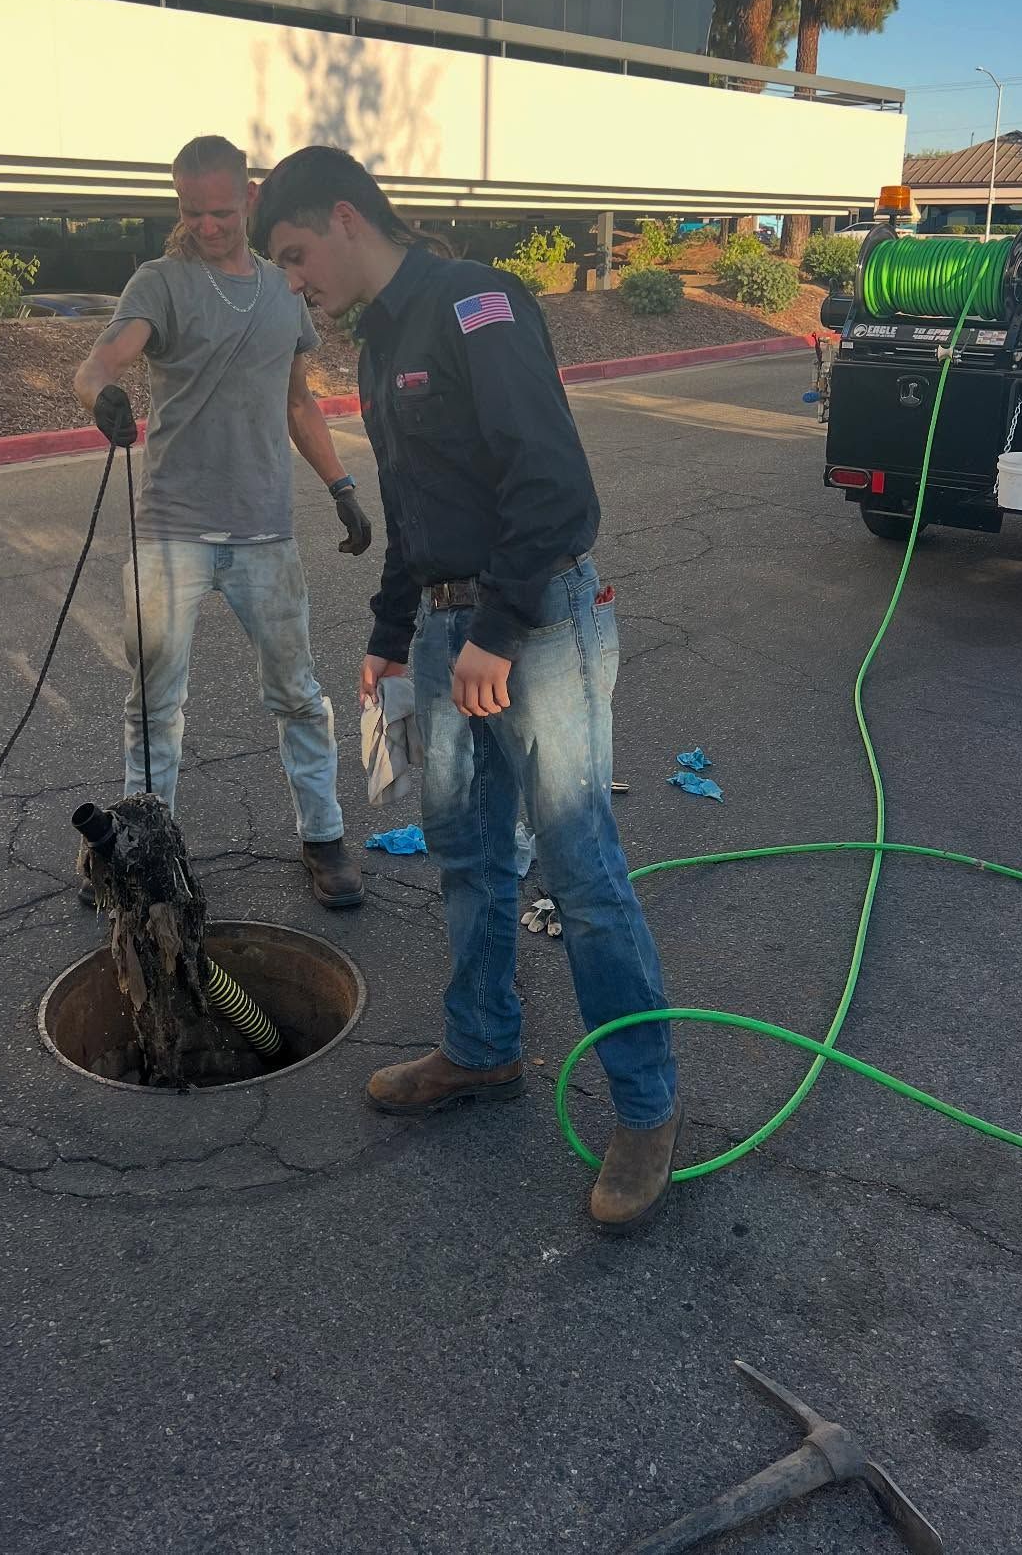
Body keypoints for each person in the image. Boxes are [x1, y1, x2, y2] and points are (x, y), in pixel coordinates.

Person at [253, 146, 681, 1232]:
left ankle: (645, 1110)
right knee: (469, 857)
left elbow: (552, 481)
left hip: (532, 625)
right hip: (450, 635)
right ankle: (483, 1049)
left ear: (345, 217)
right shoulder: (382, 337)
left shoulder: (475, 302)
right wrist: (395, 633)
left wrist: (494, 627)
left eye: (296, 254)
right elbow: (416, 501)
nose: (293, 280)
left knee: (581, 870)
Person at [72, 134, 370, 909]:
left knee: (298, 694)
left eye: (221, 210)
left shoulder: (282, 289)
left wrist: (341, 486)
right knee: (153, 710)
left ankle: (324, 837)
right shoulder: (161, 283)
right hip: (172, 530)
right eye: (191, 211)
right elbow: (103, 358)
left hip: (264, 530)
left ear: (250, 197)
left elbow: (297, 398)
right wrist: (97, 394)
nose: (207, 225)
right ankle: (142, 854)